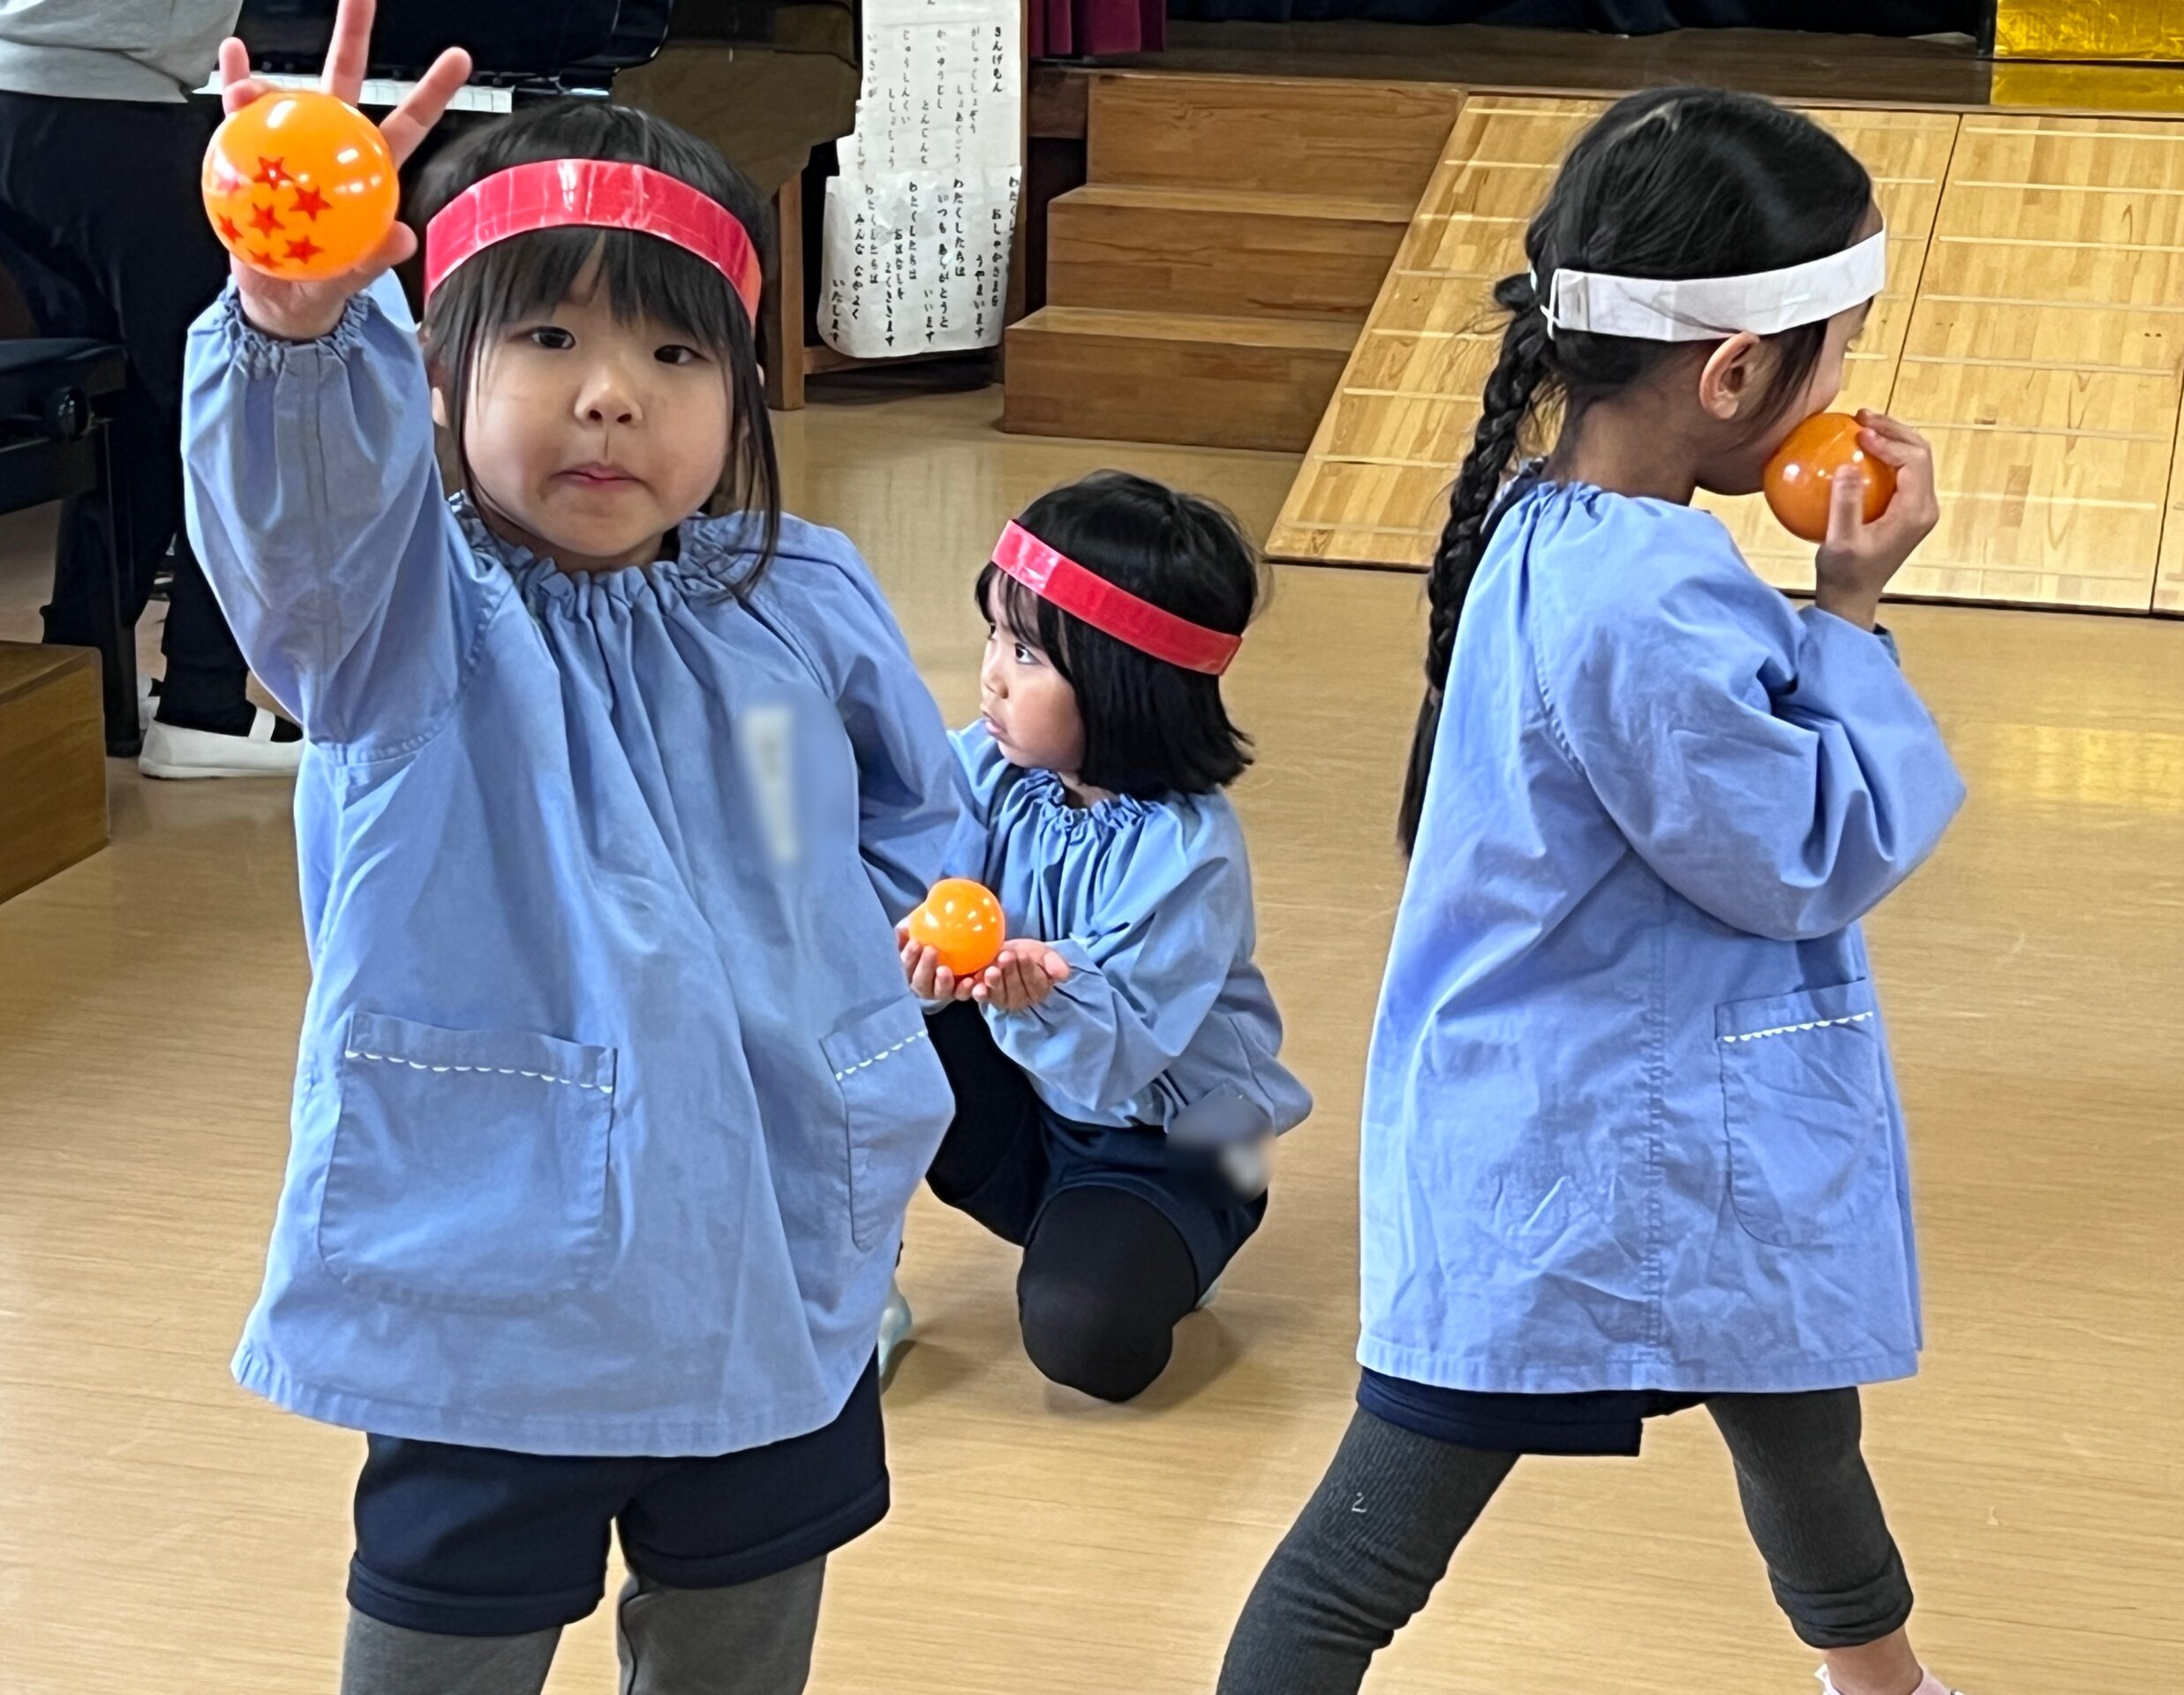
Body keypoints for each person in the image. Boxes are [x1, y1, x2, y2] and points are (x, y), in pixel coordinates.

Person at [184, 7, 965, 1689]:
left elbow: (860, 824)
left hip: (773, 1252)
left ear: (741, 389)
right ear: (438, 368)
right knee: (447, 1648)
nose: (613, 395)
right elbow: (300, 541)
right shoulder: (403, 617)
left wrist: (875, 979)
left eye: (678, 355)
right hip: (497, 1265)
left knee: (742, 1634)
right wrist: (298, 332)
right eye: (547, 336)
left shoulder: (789, 601)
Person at [1215, 88, 1970, 1695]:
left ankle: (1887, 1685)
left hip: (1647, 1123)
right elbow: (1803, 851)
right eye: (1839, 348)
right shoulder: (1644, 595)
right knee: (1366, 1553)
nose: (1849, 385)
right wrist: (1849, 612)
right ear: (1736, 374)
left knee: (1801, 1425)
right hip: (1585, 1150)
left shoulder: (1563, 525)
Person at [893, 471, 1311, 1404]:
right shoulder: (991, 770)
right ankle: (852, 1278)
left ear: (1126, 686)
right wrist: (908, 958)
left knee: (1086, 1340)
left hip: (1168, 1148)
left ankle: (1176, 1239)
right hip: (1029, 1113)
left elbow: (1118, 1056)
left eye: (1027, 655)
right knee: (861, 1039)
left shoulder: (1188, 852)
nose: (991, 674)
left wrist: (1043, 993)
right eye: (994, 637)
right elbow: (912, 861)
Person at [0, 0, 305, 777]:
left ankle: (86, 676)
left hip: (21, 94)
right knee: (236, 399)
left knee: (126, 403)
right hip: (107, 107)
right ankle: (205, 704)